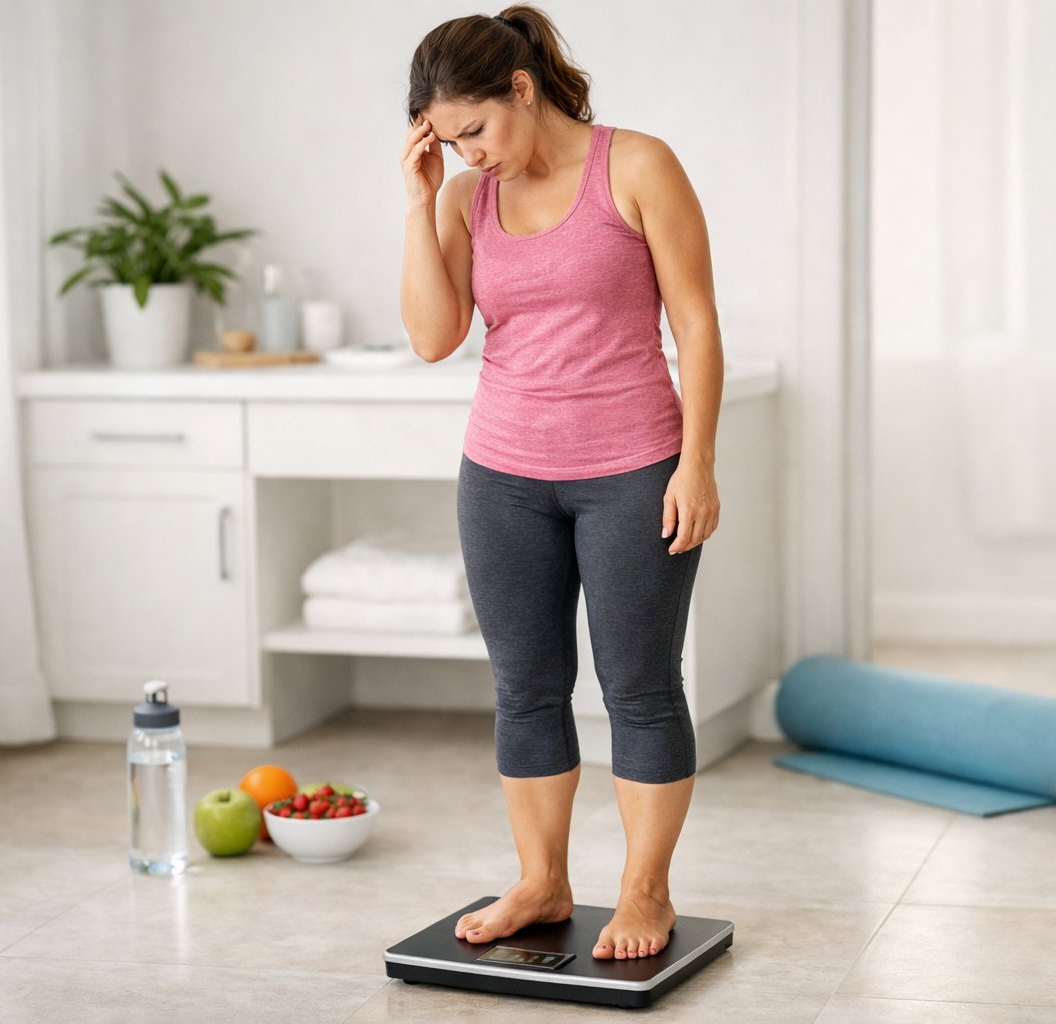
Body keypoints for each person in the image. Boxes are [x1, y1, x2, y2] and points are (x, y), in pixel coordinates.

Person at [398, 4, 723, 962]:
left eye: (476, 132)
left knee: (640, 690)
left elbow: (697, 327)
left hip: (633, 471)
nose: (467, 155)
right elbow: (431, 338)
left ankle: (645, 893)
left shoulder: (638, 165)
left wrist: (696, 463)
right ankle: (542, 883)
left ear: (523, 90)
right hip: (501, 475)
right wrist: (420, 203)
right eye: (447, 142)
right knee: (526, 690)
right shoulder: (465, 200)